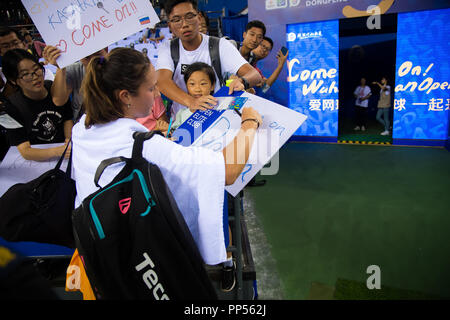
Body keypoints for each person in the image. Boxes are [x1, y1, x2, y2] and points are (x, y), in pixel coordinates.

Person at [69, 47, 262, 297]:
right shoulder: (144, 145)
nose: (156, 93)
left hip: (98, 251)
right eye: (150, 88)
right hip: (143, 263)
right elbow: (227, 171)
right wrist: (249, 123)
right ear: (126, 95)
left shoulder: (82, 127)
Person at [156, 0, 262, 118]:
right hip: (182, 123)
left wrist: (242, 81)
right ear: (170, 25)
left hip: (215, 120)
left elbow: (254, 75)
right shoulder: (168, 48)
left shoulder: (220, 46)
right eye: (176, 20)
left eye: (189, 16)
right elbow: (162, 81)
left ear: (199, 17)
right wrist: (192, 102)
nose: (184, 24)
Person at [1, 49, 73, 161]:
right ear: (13, 80)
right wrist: (57, 151)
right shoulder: (12, 107)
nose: (35, 77)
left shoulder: (55, 89)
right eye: (25, 74)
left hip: (65, 153)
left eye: (36, 69)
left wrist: (69, 140)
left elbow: (67, 118)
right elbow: (25, 151)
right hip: (40, 159)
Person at [42, 46, 108, 121]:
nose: (92, 61)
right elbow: (58, 101)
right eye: (87, 57)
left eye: (97, 54)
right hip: (85, 126)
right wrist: (60, 67)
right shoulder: (73, 70)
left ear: (106, 49)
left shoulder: (116, 66)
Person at [172, 62, 215, 130]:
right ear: (186, 86)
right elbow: (174, 133)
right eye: (192, 84)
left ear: (212, 86)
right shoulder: (181, 114)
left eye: (203, 84)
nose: (197, 89)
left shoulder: (219, 108)